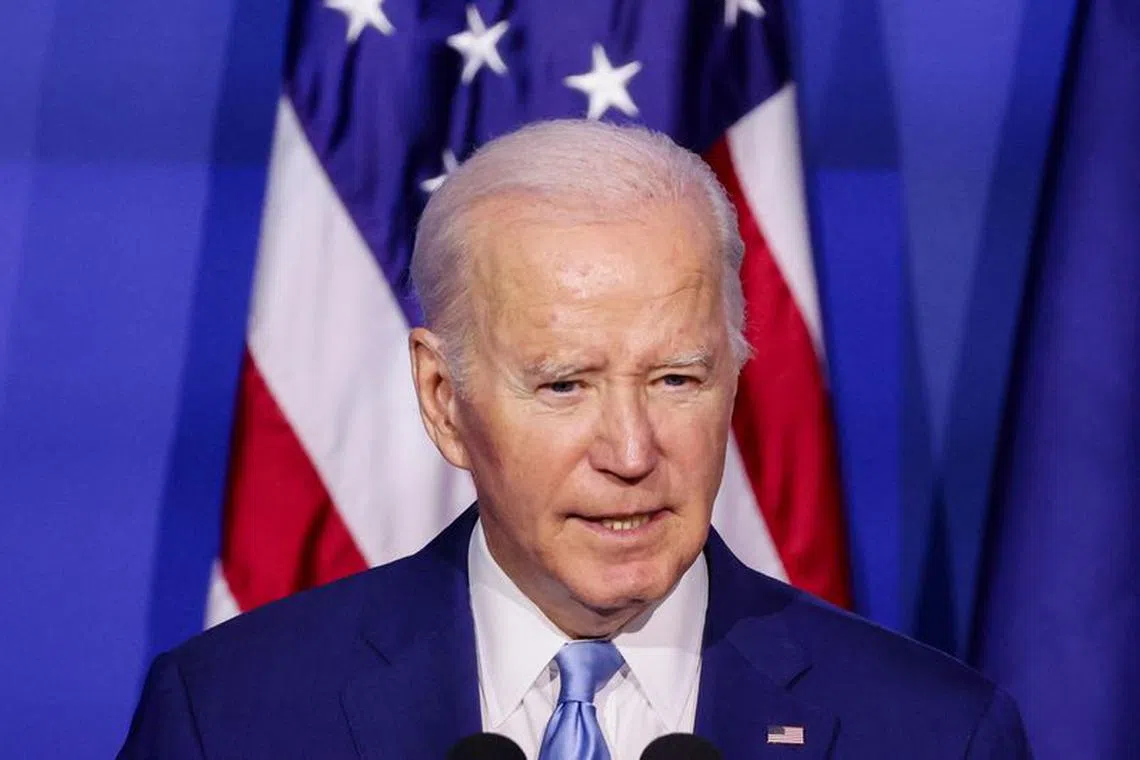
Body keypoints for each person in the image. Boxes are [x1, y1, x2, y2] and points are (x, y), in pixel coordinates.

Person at [119, 120, 1028, 759]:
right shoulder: (230, 719)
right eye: (565, 385)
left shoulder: (934, 735)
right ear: (443, 400)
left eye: (677, 379)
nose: (631, 452)